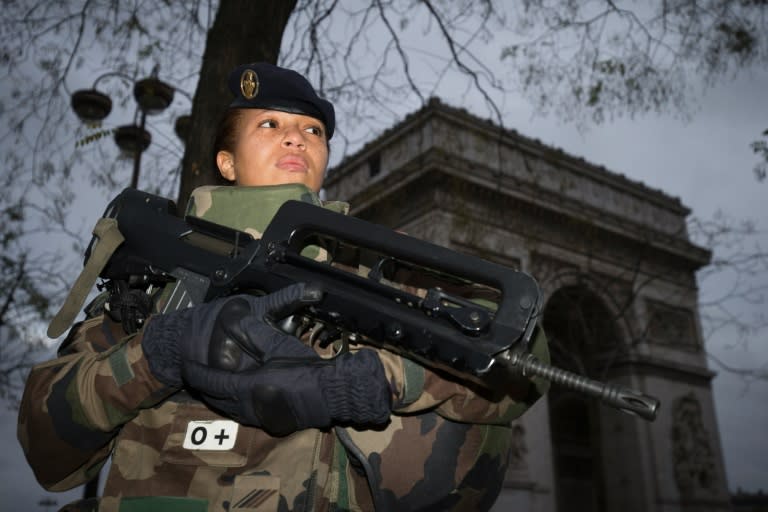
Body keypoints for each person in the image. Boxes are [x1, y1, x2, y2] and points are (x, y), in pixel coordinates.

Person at [18, 62, 550, 512]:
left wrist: (376, 378)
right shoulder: (153, 281)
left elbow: (516, 348)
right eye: (270, 124)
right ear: (225, 163)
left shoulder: (374, 267)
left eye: (313, 131)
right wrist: (159, 351)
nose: (297, 136)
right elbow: (47, 450)